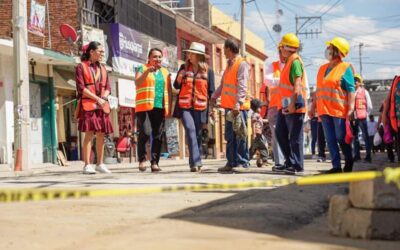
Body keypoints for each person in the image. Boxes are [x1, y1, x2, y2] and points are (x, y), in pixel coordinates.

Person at [315, 37, 356, 173]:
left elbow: (351, 90)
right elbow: (318, 90)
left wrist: (351, 109)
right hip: (323, 110)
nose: (328, 50)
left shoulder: (345, 68)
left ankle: (349, 159)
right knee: (330, 139)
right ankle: (336, 166)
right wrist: (312, 107)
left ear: (337, 51)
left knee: (340, 137)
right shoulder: (322, 69)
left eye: (331, 47)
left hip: (338, 110)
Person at [173, 42, 215, 172]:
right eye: (188, 53)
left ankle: (193, 162)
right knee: (190, 131)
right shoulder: (183, 67)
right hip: (185, 106)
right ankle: (197, 162)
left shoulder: (209, 71)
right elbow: (176, 86)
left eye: (191, 53)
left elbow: (211, 91)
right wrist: (180, 76)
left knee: (196, 134)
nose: (188, 55)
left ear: (198, 55)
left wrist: (212, 109)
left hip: (200, 107)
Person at [210, 38, 251, 171]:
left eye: (224, 50)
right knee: (230, 137)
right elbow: (223, 85)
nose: (223, 53)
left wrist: (237, 105)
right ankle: (231, 162)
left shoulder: (242, 64)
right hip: (229, 108)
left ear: (229, 48)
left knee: (240, 136)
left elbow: (242, 86)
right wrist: (214, 97)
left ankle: (242, 162)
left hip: (238, 108)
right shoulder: (228, 65)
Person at [76, 41, 113, 174]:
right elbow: (81, 88)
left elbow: (108, 87)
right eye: (100, 51)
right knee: (89, 134)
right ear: (91, 52)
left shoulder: (103, 68)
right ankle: (87, 164)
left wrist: (103, 98)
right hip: (89, 104)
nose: (102, 54)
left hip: (102, 105)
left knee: (101, 135)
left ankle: (100, 163)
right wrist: (97, 98)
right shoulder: (81, 67)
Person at [273, 33, 307, 175]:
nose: (279, 50)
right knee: (280, 133)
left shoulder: (295, 62)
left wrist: (292, 105)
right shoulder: (288, 62)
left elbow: (297, 85)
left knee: (295, 137)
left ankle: (297, 166)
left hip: (295, 105)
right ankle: (289, 161)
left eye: (281, 48)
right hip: (285, 106)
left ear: (286, 48)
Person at [135, 48, 172, 172]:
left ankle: (155, 162)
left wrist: (169, 108)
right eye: (155, 56)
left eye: (160, 57)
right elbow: (137, 82)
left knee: (158, 135)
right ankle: (141, 159)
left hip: (159, 107)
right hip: (144, 106)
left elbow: (170, 91)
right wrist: (146, 72)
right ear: (149, 58)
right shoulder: (142, 68)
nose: (158, 59)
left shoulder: (165, 72)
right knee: (146, 131)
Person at [264, 48, 285, 169]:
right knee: (276, 134)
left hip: (291, 106)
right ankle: (279, 162)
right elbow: (267, 80)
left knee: (289, 134)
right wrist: (284, 80)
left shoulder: (295, 65)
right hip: (275, 106)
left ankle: (290, 161)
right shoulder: (273, 66)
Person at [352, 73, 373, 162]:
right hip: (353, 118)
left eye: (357, 80)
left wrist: (366, 114)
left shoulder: (365, 92)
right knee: (354, 137)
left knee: (365, 137)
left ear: (360, 83)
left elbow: (369, 106)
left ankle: (368, 156)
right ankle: (357, 156)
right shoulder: (351, 92)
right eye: (354, 80)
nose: (355, 82)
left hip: (362, 117)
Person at [382, 75, 400, 163]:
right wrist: (384, 118)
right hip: (395, 123)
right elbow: (386, 103)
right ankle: (391, 157)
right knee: (391, 142)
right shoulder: (396, 81)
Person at [249, 99, 270, 167]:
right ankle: (264, 160)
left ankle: (247, 159)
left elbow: (261, 120)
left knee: (254, 148)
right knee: (263, 146)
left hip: (259, 134)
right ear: (257, 108)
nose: (261, 109)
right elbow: (253, 124)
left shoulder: (257, 115)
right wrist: (254, 133)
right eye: (260, 107)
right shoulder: (255, 115)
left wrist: (269, 120)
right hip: (257, 134)